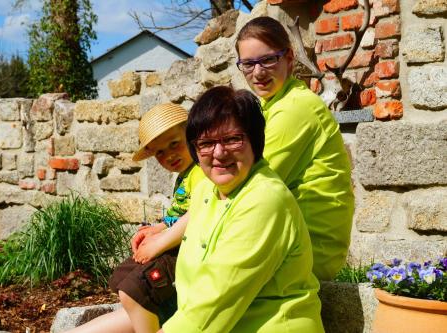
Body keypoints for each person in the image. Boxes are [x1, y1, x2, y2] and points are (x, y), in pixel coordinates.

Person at [160, 86, 324, 332]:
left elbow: (218, 295)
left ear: (255, 141)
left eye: (232, 139)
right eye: (206, 143)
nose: (219, 152)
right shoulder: (206, 191)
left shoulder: (265, 200)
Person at [66, 103, 205, 333]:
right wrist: (157, 229)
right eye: (159, 152)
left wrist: (160, 241)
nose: (169, 155)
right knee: (122, 276)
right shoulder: (185, 175)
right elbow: (177, 215)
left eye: (174, 144)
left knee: (135, 290)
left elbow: (199, 213)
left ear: (191, 136)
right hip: (171, 241)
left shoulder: (200, 172)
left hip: (183, 248)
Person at [235, 16, 355, 281]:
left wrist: (170, 233)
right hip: (288, 239)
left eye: (268, 60)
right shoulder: (273, 105)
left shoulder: (296, 107)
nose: (258, 72)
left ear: (289, 57)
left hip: (308, 251)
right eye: (248, 64)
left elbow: (245, 186)